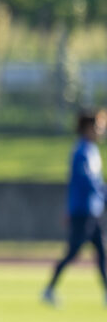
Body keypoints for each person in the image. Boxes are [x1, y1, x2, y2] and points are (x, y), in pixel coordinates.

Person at [42, 109, 107, 306]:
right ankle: (49, 289)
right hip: (83, 211)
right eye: (98, 127)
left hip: (93, 211)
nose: (101, 131)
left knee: (102, 252)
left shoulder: (92, 151)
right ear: (88, 128)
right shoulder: (81, 151)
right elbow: (88, 182)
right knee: (73, 252)